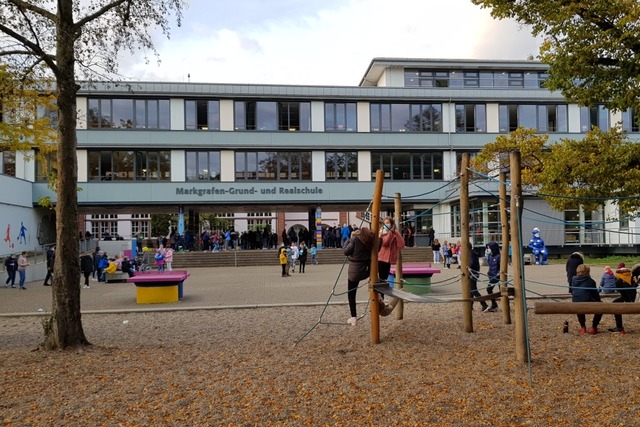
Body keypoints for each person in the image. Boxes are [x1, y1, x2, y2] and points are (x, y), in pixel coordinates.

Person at [343, 227, 374, 326]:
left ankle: (353, 317)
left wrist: (349, 239)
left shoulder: (355, 240)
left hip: (354, 271)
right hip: (365, 271)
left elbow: (345, 251)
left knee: (351, 294)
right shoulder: (369, 243)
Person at [570, 264, 602, 334]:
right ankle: (594, 327)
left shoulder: (573, 279)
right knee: (601, 307)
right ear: (587, 272)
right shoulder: (591, 281)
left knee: (579, 303)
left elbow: (573, 291)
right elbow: (596, 295)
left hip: (576, 302)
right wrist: (599, 301)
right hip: (587, 302)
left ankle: (583, 327)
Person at [609, 262, 637, 334]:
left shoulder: (619, 281)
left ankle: (619, 328)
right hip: (634, 296)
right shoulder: (631, 277)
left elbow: (626, 295)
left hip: (632, 299)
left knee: (615, 305)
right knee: (615, 303)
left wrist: (629, 302)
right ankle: (619, 328)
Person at [378, 217, 405, 283]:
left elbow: (401, 245)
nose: (386, 225)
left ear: (391, 224)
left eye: (388, 223)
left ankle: (382, 291)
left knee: (385, 277)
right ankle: (380, 291)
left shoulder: (395, 232)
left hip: (389, 258)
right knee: (381, 277)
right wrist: (390, 233)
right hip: (381, 257)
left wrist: (396, 233)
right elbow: (385, 243)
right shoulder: (381, 232)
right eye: (385, 223)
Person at [467, 242, 488, 312]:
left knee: (473, 290)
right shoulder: (472, 252)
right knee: (471, 290)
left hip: (473, 273)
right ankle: (470, 306)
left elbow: (472, 263)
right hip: (474, 272)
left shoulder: (471, 253)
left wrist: (467, 266)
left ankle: (484, 304)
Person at [484, 241, 500, 312]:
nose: (488, 249)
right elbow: (491, 266)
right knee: (489, 289)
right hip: (491, 276)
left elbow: (501, 267)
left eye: (489, 248)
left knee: (489, 289)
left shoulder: (499, 256)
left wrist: (498, 273)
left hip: (497, 276)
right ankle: (494, 304)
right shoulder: (491, 256)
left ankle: (495, 304)